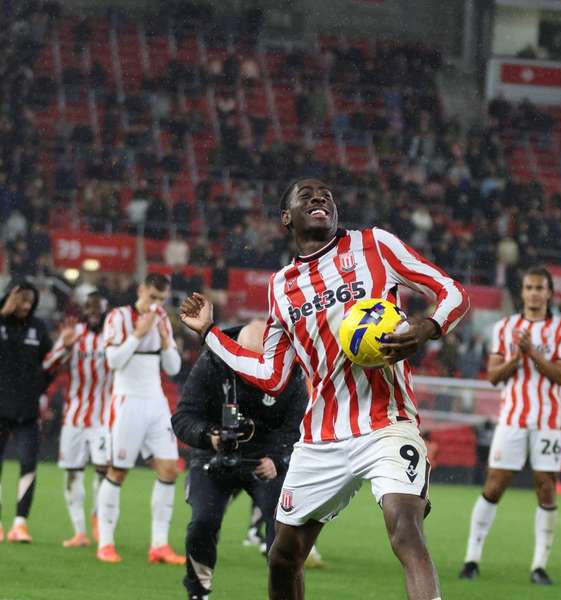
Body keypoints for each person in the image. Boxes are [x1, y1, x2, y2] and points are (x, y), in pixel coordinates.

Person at [179, 178, 469, 600]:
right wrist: (209, 333)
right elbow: (272, 376)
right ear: (286, 217)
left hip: (387, 422)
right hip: (320, 437)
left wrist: (427, 326)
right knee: (283, 556)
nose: (320, 199)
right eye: (307, 195)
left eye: (327, 196)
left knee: (405, 527)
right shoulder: (282, 285)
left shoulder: (376, 246)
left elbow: (452, 292)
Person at [171, 319, 310, 600]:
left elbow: (299, 427)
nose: (255, 369)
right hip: (215, 453)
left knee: (285, 532)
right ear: (235, 349)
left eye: (262, 361)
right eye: (247, 358)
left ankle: (283, 596)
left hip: (267, 459)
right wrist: (209, 436)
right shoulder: (212, 361)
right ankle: (198, 593)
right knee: (202, 522)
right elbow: (183, 417)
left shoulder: (291, 370)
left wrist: (277, 458)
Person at [459, 266, 561, 585]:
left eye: (540, 288)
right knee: (495, 485)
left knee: (546, 487)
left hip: (549, 421)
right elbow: (494, 376)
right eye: (529, 287)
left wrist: (533, 352)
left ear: (550, 293)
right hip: (512, 418)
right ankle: (471, 558)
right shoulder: (504, 327)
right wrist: (518, 357)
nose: (535, 293)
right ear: (522, 292)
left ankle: (539, 566)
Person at [96, 273, 185, 564]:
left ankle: (159, 545)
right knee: (118, 471)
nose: (156, 305)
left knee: (169, 470)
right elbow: (113, 362)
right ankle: (105, 544)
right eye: (152, 297)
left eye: (161, 300)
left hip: (156, 403)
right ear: (141, 290)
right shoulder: (118, 317)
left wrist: (165, 341)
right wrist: (137, 334)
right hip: (127, 402)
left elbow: (173, 368)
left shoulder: (161, 320)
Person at [42, 292, 114, 547]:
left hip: (104, 418)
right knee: (73, 473)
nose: (94, 313)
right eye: (90, 309)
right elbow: (48, 366)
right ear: (84, 310)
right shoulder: (74, 333)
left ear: (106, 311)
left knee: (104, 471)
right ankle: (79, 532)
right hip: (74, 417)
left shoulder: (113, 335)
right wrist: (67, 346)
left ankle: (98, 514)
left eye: (99, 309)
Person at [0, 280, 53, 543]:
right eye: (21, 299)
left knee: (28, 464)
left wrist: (38, 389)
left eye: (30, 301)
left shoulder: (38, 328)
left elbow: (49, 364)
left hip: (27, 410)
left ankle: (20, 524)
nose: (25, 305)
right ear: (10, 296)